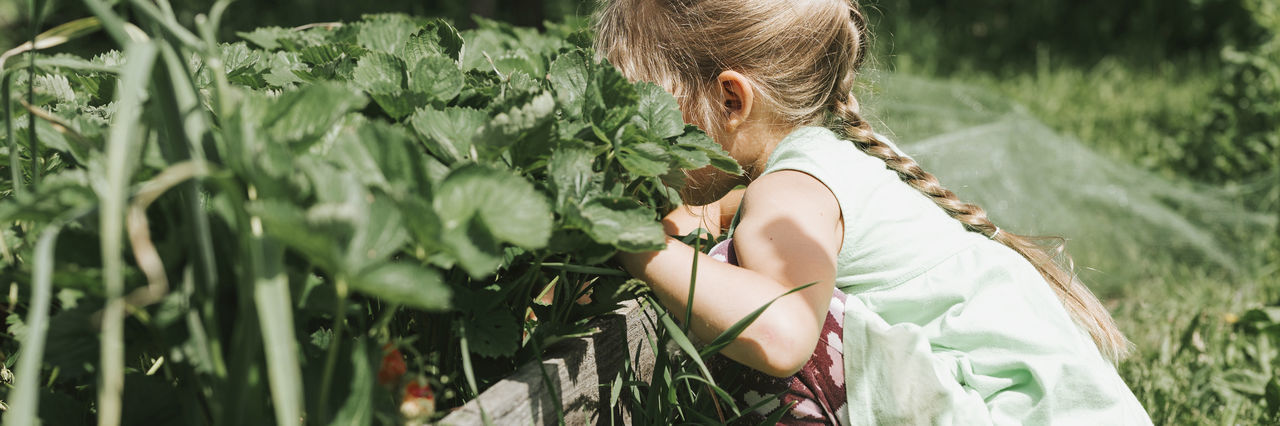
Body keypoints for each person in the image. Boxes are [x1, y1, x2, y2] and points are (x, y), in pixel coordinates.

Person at [596, 0, 1152, 424]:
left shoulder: (787, 195)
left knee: (747, 303)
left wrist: (640, 246)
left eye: (649, 108)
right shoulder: (824, 163)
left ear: (730, 101)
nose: (640, 136)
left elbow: (783, 335)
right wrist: (712, 213)